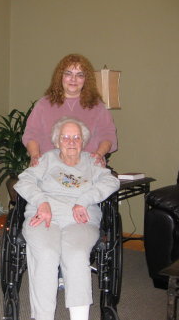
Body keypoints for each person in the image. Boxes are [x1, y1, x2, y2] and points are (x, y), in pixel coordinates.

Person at [14, 117, 120, 320]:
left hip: (80, 219)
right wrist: (41, 202)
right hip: (44, 216)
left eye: (76, 137)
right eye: (65, 137)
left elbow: (110, 182)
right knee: (45, 254)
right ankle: (43, 317)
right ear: (56, 141)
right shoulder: (46, 160)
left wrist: (84, 199)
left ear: (83, 141)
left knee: (77, 254)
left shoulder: (92, 161)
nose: (71, 142)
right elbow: (24, 181)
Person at [23, 53, 117, 167]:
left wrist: (99, 154)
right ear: (60, 76)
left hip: (88, 168)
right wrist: (35, 156)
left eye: (80, 75)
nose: (73, 79)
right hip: (50, 169)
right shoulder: (43, 104)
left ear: (86, 79)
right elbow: (32, 134)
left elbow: (108, 135)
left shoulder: (97, 106)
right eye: (68, 73)